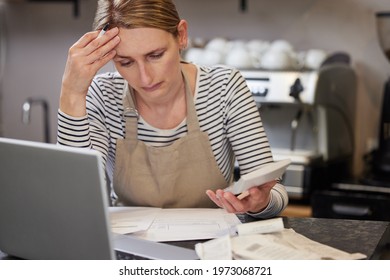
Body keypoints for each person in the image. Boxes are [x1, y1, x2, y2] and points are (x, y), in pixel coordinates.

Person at [57, 0, 288, 218]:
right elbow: (74, 195)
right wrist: (72, 92)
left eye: (155, 56)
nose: (145, 78)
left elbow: (274, 191)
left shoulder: (224, 87)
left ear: (181, 36)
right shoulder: (103, 94)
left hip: (209, 247)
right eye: (125, 63)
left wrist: (260, 203)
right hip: (132, 249)